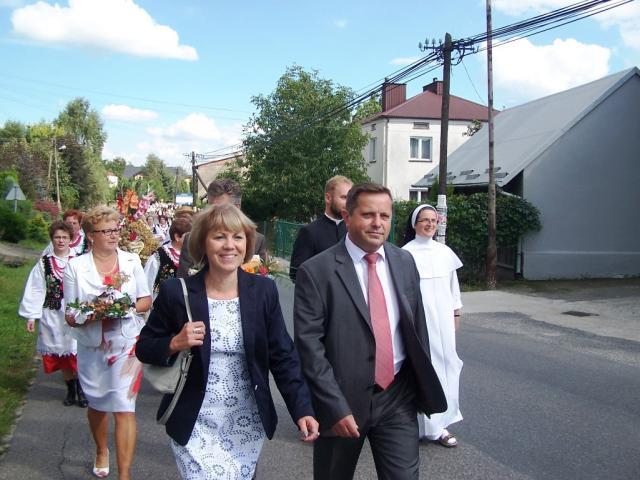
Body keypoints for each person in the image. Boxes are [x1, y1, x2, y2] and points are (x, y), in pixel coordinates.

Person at [137, 203, 319, 479]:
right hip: (195, 420)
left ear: (247, 244)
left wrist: (302, 408)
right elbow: (144, 347)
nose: (229, 245)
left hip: (245, 421)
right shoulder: (177, 292)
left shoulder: (263, 291)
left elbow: (283, 355)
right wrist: (175, 342)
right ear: (203, 242)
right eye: (219, 237)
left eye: (237, 237)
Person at [294, 182, 447, 480]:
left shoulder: (404, 262)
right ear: (347, 216)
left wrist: (419, 386)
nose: (378, 223)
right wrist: (333, 406)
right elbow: (310, 348)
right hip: (343, 400)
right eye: (368, 215)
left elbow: (417, 328)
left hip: (397, 396)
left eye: (385, 216)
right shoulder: (316, 272)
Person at [64, 205, 152, 480]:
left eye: (116, 229)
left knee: (125, 407)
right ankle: (102, 449)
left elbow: (145, 300)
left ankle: (124, 475)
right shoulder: (75, 267)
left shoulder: (131, 261)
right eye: (106, 231)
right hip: (92, 345)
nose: (114, 235)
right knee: (98, 404)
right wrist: (90, 314)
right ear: (91, 235)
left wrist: (125, 308)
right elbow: (70, 314)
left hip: (127, 344)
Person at [402, 204, 464, 447]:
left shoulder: (444, 252)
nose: (429, 224)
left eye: (433, 220)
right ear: (414, 224)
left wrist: (456, 313)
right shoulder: (406, 253)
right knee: (425, 369)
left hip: (444, 321)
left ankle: (441, 425)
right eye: (424, 220)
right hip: (420, 321)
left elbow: (453, 287)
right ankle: (420, 426)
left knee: (449, 366)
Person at [19, 221, 84, 407]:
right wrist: (31, 315)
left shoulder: (79, 261)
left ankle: (81, 390)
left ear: (70, 239)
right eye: (57, 237)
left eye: (64, 237)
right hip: (53, 314)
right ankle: (71, 390)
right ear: (52, 239)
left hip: (75, 313)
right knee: (61, 353)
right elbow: (36, 289)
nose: (61, 241)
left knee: (77, 353)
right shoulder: (44, 263)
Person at [176, 179, 267, 277]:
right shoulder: (193, 238)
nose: (213, 213)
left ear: (237, 207)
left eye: (220, 208)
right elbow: (183, 279)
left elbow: (261, 276)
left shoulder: (257, 240)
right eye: (210, 207)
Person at [289, 175, 352, 282]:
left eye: (350, 199)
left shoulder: (353, 231)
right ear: (328, 198)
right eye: (344, 197)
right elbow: (296, 273)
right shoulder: (309, 232)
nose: (348, 203)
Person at [144, 217, 192, 300]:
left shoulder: (193, 255)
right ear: (177, 237)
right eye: (188, 236)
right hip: (163, 302)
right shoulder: (160, 255)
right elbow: (148, 281)